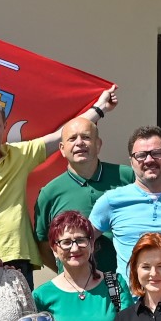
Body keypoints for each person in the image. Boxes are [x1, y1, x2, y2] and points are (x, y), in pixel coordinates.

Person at [0, 86, 118, 285]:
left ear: (5, 126)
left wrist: (100, 108)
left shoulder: (18, 155)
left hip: (20, 263)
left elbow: (63, 135)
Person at [89, 126, 161, 301]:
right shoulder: (111, 202)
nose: (149, 160)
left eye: (157, 153)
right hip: (130, 307)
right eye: (141, 155)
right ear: (132, 162)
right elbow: (83, 243)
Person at [31, 117, 133, 274]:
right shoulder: (49, 193)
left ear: (98, 144)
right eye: (72, 138)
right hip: (75, 286)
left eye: (86, 137)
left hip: (125, 281)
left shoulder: (127, 177)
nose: (79, 143)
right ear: (62, 148)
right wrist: (69, 272)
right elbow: (43, 245)